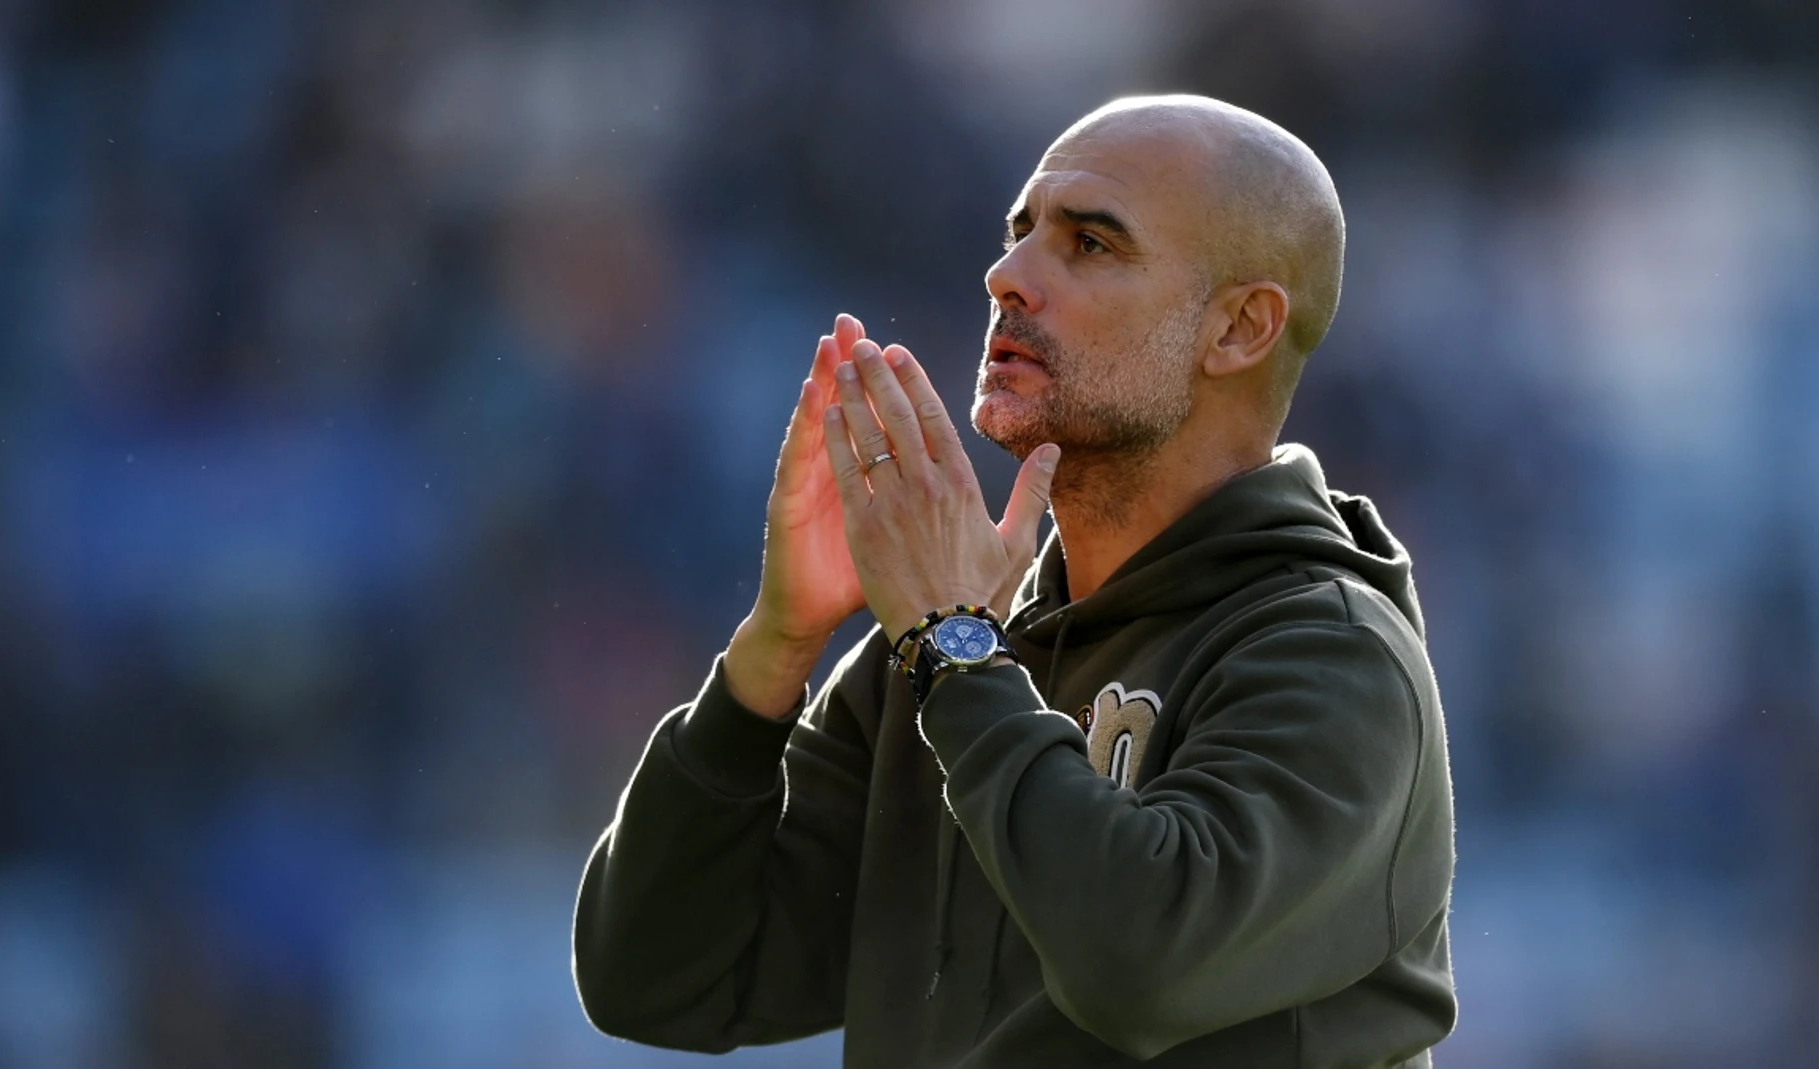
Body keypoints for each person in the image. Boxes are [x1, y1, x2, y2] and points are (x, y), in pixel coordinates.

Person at [573, 94, 1456, 1067]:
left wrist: (957, 655)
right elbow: (657, 979)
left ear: (1239, 328)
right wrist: (777, 646)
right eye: (1019, 232)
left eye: (1090, 243)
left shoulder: (1333, 654)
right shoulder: (950, 643)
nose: (1006, 276)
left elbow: (1145, 968)